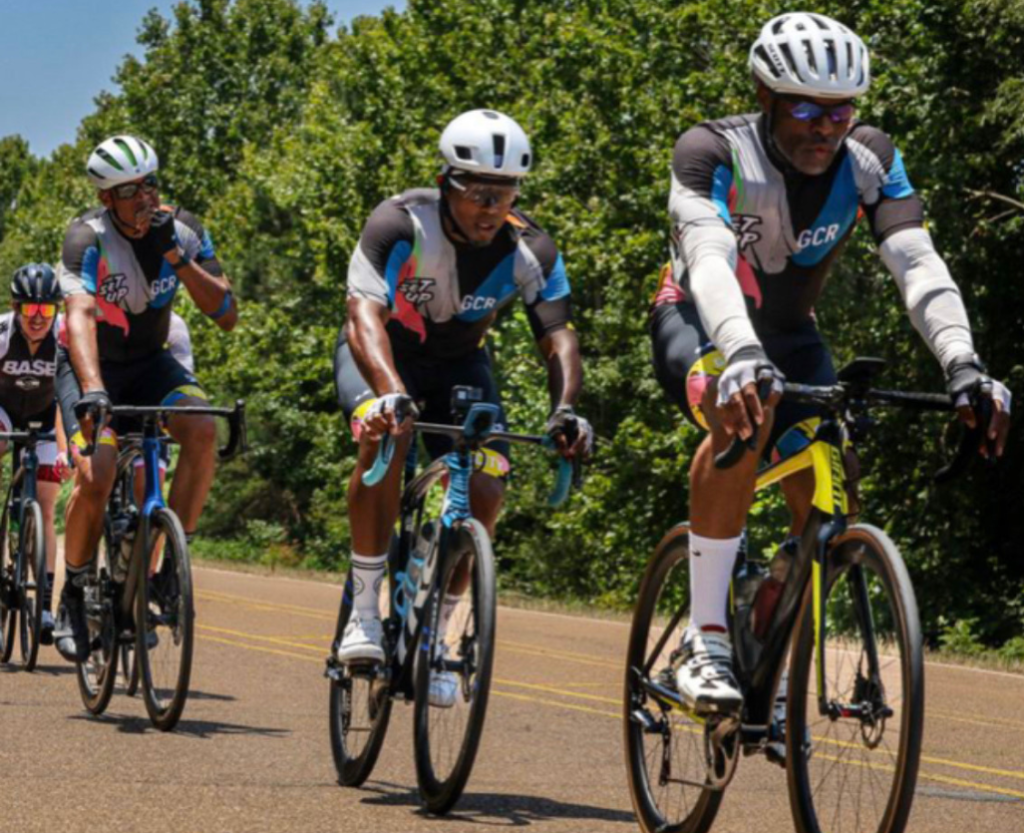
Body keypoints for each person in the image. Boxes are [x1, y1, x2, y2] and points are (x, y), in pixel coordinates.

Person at [650, 13, 1011, 718]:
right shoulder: (711, 150)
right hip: (699, 319)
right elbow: (709, 257)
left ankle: (768, 633)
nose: (825, 126)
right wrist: (740, 353)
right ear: (766, 94)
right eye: (806, 107)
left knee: (832, 493)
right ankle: (705, 637)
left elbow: (916, 262)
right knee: (742, 420)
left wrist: (962, 361)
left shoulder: (870, 157)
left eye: (841, 108)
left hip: (790, 333)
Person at [334, 109, 592, 704]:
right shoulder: (399, 223)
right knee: (388, 437)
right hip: (380, 352)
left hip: (458, 363)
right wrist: (389, 392)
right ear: (448, 182)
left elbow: (557, 335)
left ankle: (443, 637)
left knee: (488, 484)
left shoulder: (532, 249)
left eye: (503, 195)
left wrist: (565, 409)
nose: (490, 208)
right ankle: (365, 613)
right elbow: (363, 316)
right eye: (478, 193)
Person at [52, 135, 238, 662]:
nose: (145, 199)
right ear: (108, 199)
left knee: (203, 430)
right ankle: (73, 589)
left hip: (152, 361)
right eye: (130, 191)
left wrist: (176, 258)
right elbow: (81, 317)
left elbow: (225, 314)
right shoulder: (84, 238)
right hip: (93, 365)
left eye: (150, 185)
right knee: (99, 469)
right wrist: (92, 390)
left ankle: (169, 569)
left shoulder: (183, 229)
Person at [0, 265, 64, 644]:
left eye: (46, 311)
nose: (38, 319)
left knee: (47, 501)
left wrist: (67, 447)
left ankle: (43, 604)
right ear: (16, 308)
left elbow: (68, 394)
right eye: (30, 311)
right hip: (4, 412)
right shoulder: (3, 334)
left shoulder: (65, 338)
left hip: (46, 417)